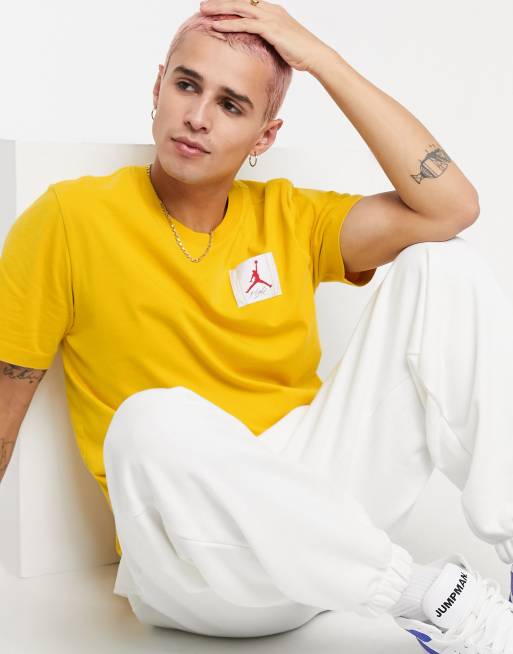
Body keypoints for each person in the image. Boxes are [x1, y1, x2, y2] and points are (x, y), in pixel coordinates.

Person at [1, 2, 513, 652]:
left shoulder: (288, 216)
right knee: (147, 419)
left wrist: (320, 59)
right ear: (157, 87)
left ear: (263, 137)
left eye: (231, 105)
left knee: (444, 264)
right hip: (196, 565)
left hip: (321, 526)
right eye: (187, 85)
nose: (198, 116)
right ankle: (426, 597)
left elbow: (452, 207)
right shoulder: (68, 218)